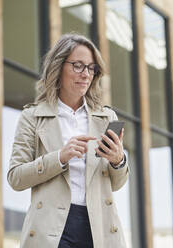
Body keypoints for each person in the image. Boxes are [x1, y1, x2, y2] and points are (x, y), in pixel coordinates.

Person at [7, 33, 129, 248]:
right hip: (51, 228)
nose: (86, 74)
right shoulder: (33, 117)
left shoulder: (106, 118)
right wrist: (59, 158)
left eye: (91, 68)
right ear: (58, 67)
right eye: (78, 66)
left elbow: (117, 184)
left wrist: (118, 160)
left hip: (99, 226)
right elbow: (16, 178)